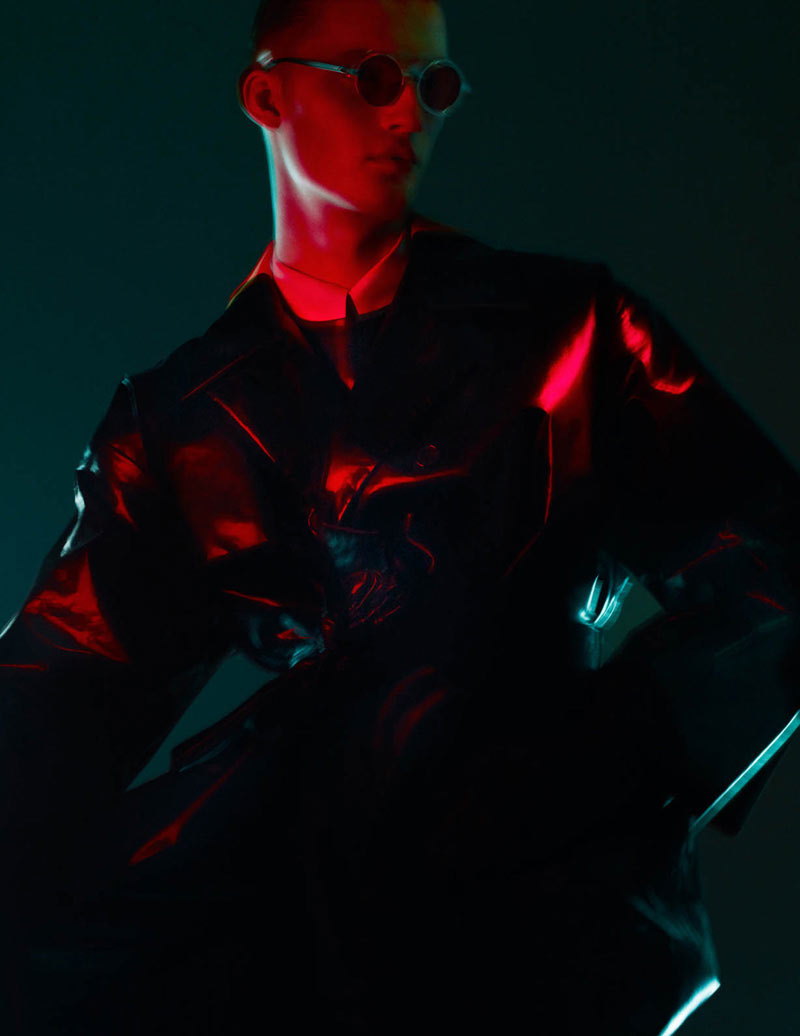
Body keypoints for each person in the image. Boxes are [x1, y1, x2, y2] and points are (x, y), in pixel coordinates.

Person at [2, 0, 800, 1032]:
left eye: (435, 85)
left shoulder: (565, 329)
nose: (407, 113)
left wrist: (605, 755)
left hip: (548, 916)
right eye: (373, 77)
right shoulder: (180, 416)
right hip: (287, 915)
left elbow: (775, 566)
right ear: (266, 94)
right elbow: (59, 691)